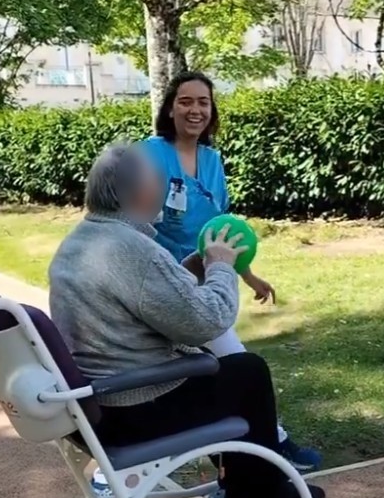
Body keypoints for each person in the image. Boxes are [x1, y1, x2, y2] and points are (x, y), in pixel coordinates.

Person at [48, 143, 325, 498]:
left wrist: (194, 267)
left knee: (227, 375)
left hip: (97, 408)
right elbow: (207, 321)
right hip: (133, 409)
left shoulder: (82, 240)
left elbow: (151, 297)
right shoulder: (131, 248)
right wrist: (223, 266)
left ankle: (245, 485)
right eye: (159, 178)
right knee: (247, 372)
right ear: (141, 192)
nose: (164, 185)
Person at [137, 71, 322, 472]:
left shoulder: (213, 160)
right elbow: (131, 219)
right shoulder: (148, 154)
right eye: (186, 101)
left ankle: (247, 451)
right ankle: (267, 446)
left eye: (203, 102)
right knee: (225, 363)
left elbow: (219, 229)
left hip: (204, 281)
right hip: (163, 284)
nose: (195, 110)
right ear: (170, 108)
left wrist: (247, 273)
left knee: (222, 364)